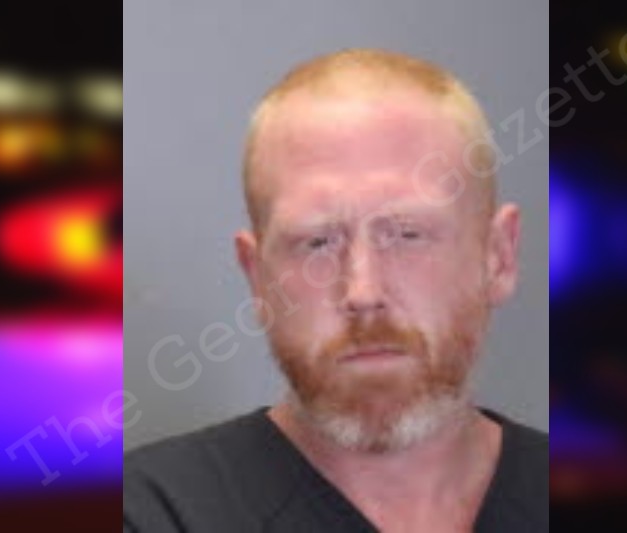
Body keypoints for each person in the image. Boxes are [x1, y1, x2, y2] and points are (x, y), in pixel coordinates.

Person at [124, 48, 547, 532]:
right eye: (317, 242)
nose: (363, 292)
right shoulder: (149, 514)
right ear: (256, 277)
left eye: (407, 234)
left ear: (498, 256)